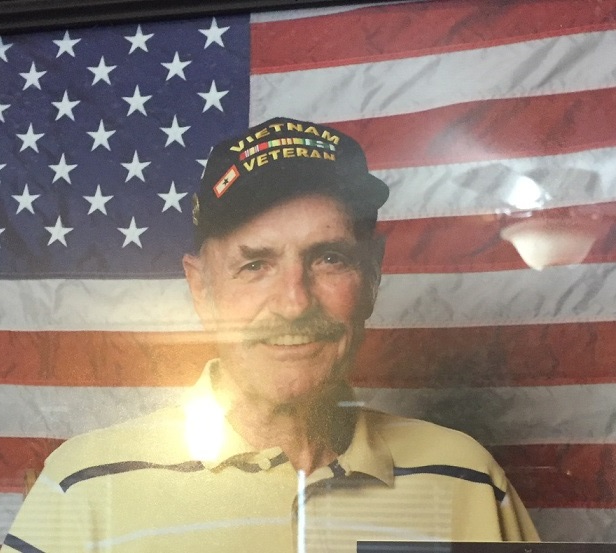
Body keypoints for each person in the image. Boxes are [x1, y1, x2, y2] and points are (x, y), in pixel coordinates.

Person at [4, 117, 539, 553]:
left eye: (329, 258)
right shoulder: (85, 488)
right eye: (255, 264)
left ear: (373, 274)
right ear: (201, 288)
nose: (294, 302)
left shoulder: (467, 480)